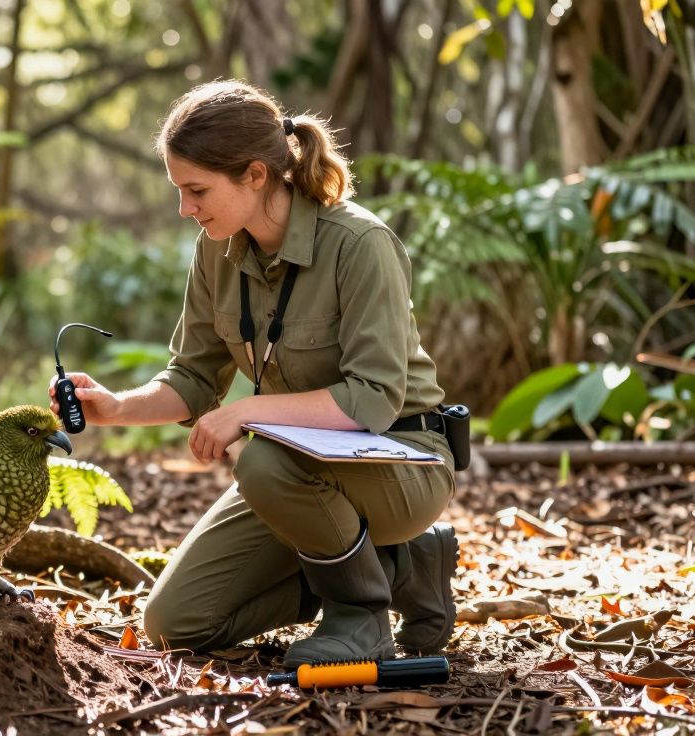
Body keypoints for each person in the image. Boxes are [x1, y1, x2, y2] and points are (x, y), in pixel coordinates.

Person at [48, 79, 458, 666]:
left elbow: (371, 400)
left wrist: (245, 411)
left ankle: (360, 619)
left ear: (256, 175)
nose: (185, 209)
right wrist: (116, 406)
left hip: (401, 457)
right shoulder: (217, 250)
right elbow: (192, 376)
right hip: (298, 471)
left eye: (196, 190)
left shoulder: (360, 244)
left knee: (260, 454)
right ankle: (400, 568)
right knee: (174, 624)